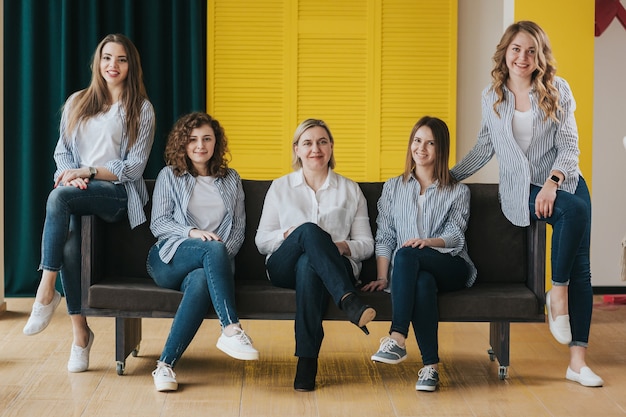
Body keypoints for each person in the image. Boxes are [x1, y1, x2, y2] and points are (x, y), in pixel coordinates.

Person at [450, 21, 602, 387]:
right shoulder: (493, 97)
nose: (523, 57)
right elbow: (485, 147)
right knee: (576, 213)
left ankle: (577, 361)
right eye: (516, 49)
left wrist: (553, 182)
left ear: (540, 57)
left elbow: (569, 148)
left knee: (582, 263)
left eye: (531, 51)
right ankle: (558, 293)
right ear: (505, 52)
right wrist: (447, 176)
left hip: (563, 180)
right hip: (523, 189)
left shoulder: (557, 89)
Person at [23, 34, 155, 373]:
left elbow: (134, 167)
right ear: (98, 62)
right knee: (69, 250)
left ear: (131, 65)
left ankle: (45, 290)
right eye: (107, 58)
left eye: (122, 59)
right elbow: (62, 151)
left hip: (118, 195)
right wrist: (74, 174)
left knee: (59, 196)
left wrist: (91, 171)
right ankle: (81, 335)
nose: (113, 65)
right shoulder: (77, 102)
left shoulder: (141, 108)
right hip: (80, 190)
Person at [255, 118, 375, 392]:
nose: (315, 149)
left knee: (311, 263)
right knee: (308, 232)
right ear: (296, 149)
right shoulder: (280, 187)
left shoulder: (350, 189)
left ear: (331, 147)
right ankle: (348, 299)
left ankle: (307, 363)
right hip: (283, 267)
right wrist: (292, 235)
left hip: (333, 266)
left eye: (322, 142)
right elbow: (262, 241)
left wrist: (342, 247)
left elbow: (366, 244)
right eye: (307, 143)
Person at [361, 116, 477, 392]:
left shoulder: (458, 191)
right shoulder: (392, 187)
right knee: (421, 280)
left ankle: (397, 337)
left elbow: (456, 235)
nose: (421, 148)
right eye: (417, 140)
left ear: (441, 149)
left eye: (430, 143)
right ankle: (430, 368)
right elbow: (385, 235)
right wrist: (382, 276)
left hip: (451, 264)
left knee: (408, 252)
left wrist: (429, 242)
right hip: (411, 268)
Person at [147, 112, 259, 392]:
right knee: (211, 248)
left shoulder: (231, 179)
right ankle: (231, 328)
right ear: (182, 144)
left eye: (207, 138)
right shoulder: (169, 175)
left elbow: (238, 229)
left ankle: (164, 366)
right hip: (169, 257)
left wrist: (219, 257)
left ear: (216, 143)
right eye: (193, 139)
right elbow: (159, 223)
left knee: (200, 281)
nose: (200, 145)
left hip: (214, 261)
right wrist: (192, 233)